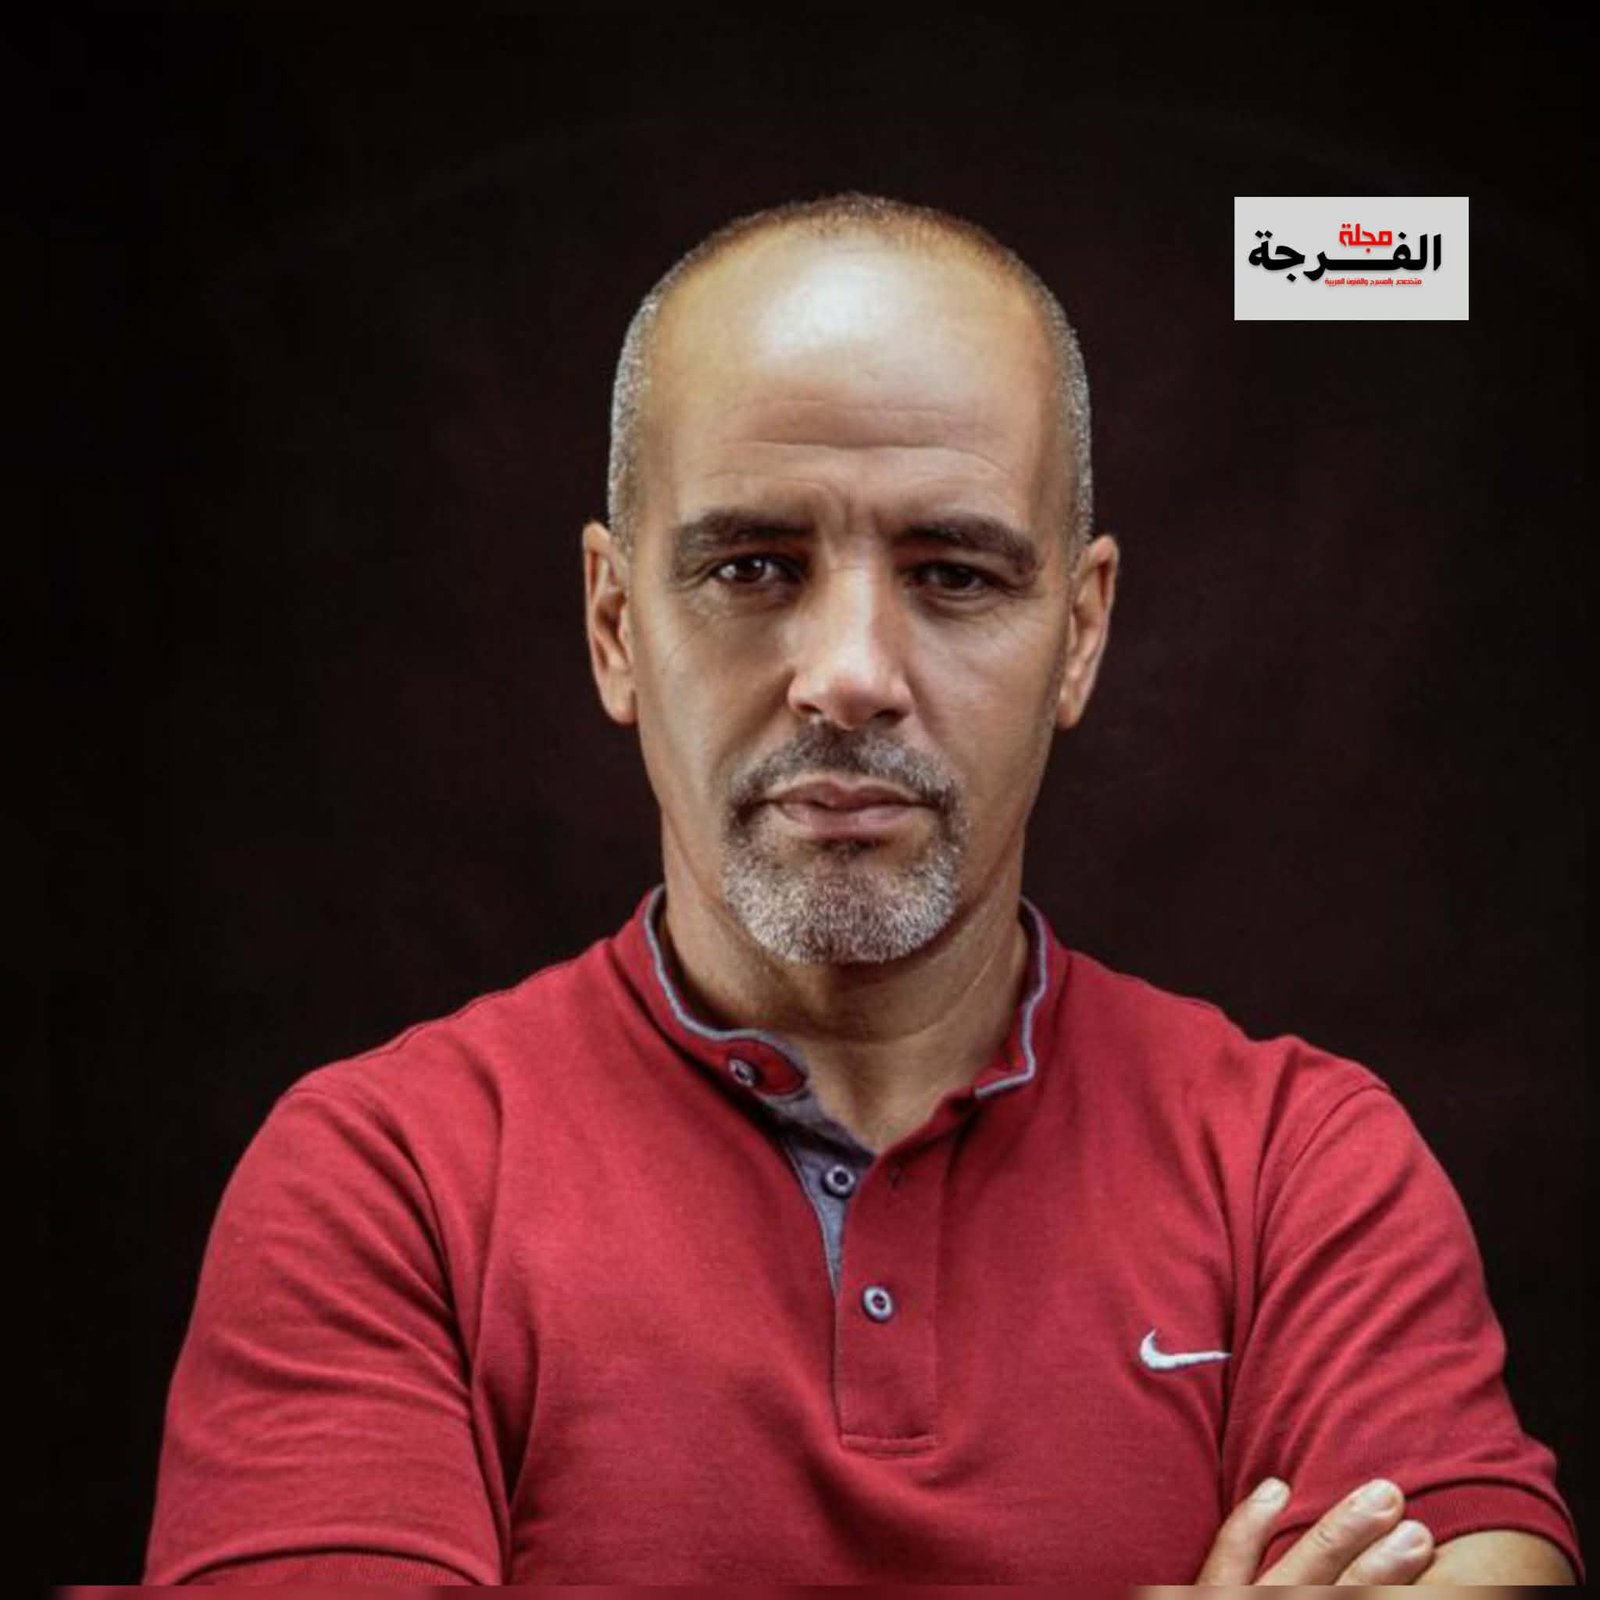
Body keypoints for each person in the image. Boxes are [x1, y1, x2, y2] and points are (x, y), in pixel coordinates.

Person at [143, 192, 1580, 1585]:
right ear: (615, 625)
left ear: (1080, 636)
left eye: (953, 575)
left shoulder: (1297, 1168)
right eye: (752, 567)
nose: (848, 675)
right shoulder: (383, 1184)